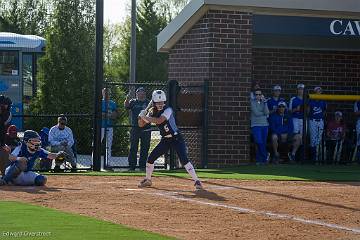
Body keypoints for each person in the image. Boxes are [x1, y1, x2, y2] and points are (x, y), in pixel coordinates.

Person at [137, 90, 203, 190]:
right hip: (165, 140)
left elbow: (160, 120)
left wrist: (145, 117)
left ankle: (197, 181)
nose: (160, 104)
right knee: (150, 158)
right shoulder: (152, 112)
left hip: (176, 138)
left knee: (184, 159)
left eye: (162, 102)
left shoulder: (168, 110)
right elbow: (141, 125)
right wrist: (141, 117)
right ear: (154, 103)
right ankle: (148, 179)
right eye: (158, 102)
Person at [0, 130, 66, 186]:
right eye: (34, 141)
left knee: (42, 180)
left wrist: (59, 155)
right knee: (22, 162)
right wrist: (19, 158)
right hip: (13, 173)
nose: (36, 143)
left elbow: (50, 155)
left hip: (26, 173)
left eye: (37, 141)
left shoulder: (38, 150)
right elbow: (11, 157)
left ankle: (14, 183)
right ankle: (5, 180)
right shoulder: (21, 148)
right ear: (26, 141)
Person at [124, 87, 151, 170]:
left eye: (143, 92)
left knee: (145, 147)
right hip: (135, 128)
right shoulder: (133, 102)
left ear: (145, 94)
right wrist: (127, 99)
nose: (141, 94)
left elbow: (153, 112)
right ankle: (131, 166)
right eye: (139, 92)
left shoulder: (148, 103)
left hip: (146, 128)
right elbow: (126, 106)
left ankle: (142, 166)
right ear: (136, 94)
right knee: (133, 147)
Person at [308, 86, 327, 164]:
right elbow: (308, 111)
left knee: (319, 139)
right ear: (315, 92)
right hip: (313, 121)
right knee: (313, 139)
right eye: (317, 91)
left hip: (320, 121)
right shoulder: (311, 100)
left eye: (320, 91)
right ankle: (314, 158)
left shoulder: (323, 101)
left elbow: (325, 111)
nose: (319, 92)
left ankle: (318, 158)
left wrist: (322, 118)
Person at [251, 89, 270, 165]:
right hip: (255, 125)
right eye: (256, 94)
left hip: (265, 125)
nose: (258, 96)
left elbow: (267, 112)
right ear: (254, 95)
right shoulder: (252, 102)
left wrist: (265, 103)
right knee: (259, 141)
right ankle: (266, 155)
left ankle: (260, 160)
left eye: (259, 94)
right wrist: (263, 113)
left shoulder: (264, 102)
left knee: (263, 143)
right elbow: (256, 113)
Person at [101, 88, 118, 160]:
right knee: (97, 144)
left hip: (110, 126)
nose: (107, 94)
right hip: (100, 126)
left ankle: (108, 163)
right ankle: (94, 163)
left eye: (108, 93)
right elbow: (99, 114)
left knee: (109, 146)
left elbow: (114, 115)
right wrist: (108, 114)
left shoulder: (113, 103)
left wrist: (106, 114)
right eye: (105, 93)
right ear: (103, 93)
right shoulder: (100, 102)